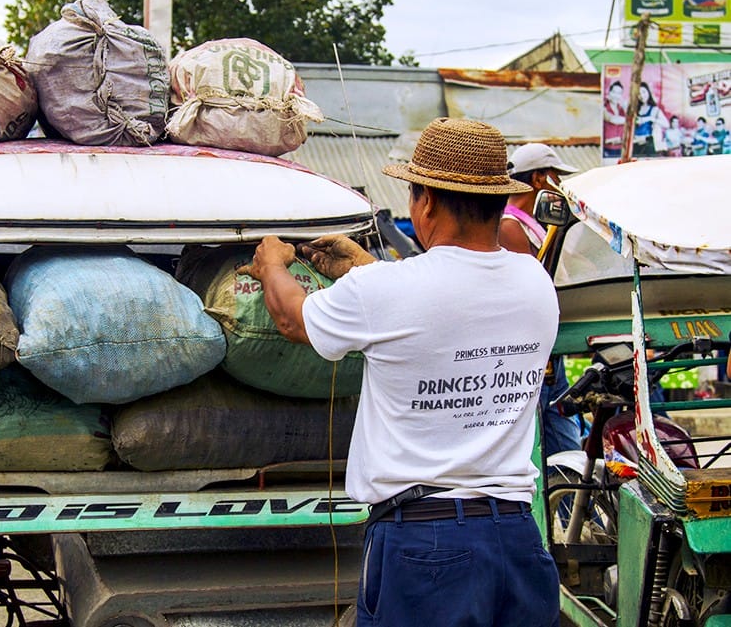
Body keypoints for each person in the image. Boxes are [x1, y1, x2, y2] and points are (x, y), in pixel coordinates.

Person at [239, 117, 561, 627]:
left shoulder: (388, 290)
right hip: (518, 540)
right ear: (501, 200)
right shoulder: (536, 283)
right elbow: (445, 301)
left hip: (426, 544)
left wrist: (272, 263)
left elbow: (291, 318)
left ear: (426, 201)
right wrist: (367, 268)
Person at [503, 143, 583, 457]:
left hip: (547, 347)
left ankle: (570, 503)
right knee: (550, 436)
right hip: (531, 351)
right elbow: (532, 286)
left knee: (564, 433)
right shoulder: (510, 225)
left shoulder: (533, 222)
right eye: (554, 176)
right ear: (538, 178)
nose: (558, 184)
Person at [633, 81, 668, 157]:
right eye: (639, 94)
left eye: (644, 92)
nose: (642, 95)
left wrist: (650, 118)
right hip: (635, 144)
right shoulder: (635, 109)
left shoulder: (654, 109)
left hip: (647, 145)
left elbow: (666, 124)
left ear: (648, 92)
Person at [603, 80, 627, 159]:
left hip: (621, 148)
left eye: (619, 93)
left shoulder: (621, 109)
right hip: (607, 149)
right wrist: (630, 120)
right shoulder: (604, 107)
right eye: (614, 92)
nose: (616, 96)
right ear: (609, 93)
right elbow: (612, 119)